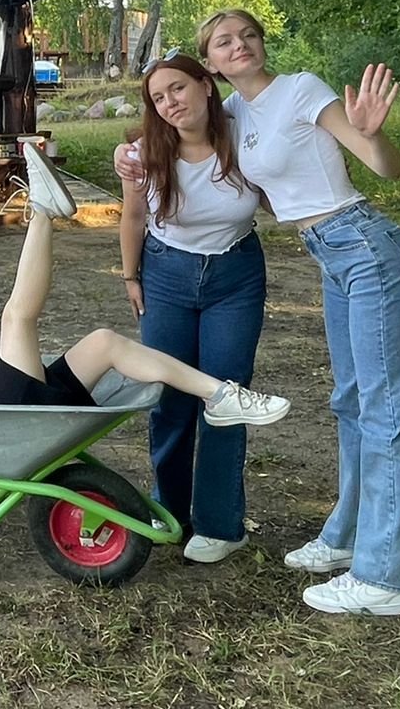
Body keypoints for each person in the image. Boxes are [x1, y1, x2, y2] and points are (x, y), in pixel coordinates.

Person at [117, 9, 400, 615]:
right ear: (211, 65)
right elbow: (167, 130)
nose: (239, 46)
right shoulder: (234, 111)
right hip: (331, 256)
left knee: (386, 411)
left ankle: (387, 575)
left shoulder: (302, 88)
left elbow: (385, 167)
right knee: (351, 403)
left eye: (248, 35)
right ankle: (346, 535)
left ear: (260, 44)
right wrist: (127, 156)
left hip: (365, 245)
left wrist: (371, 134)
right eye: (223, 41)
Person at [0, 143, 289, 442]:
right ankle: (42, 211)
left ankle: (220, 395)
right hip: (1, 423)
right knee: (15, 318)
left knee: (105, 341)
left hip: (19, 410)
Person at [118, 54, 267, 564]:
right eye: (158, 98)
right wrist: (131, 276)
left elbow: (284, 181)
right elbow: (133, 216)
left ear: (205, 85)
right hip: (166, 275)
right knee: (169, 396)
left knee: (226, 397)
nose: (170, 103)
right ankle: (169, 510)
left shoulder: (245, 137)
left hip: (236, 275)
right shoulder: (143, 154)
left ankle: (220, 524)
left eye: (177, 88)